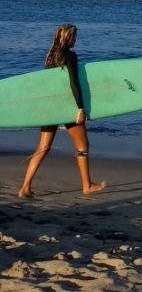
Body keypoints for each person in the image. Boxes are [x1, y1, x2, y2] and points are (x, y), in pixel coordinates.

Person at [18, 24, 106, 198]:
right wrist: (80, 107)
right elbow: (74, 83)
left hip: (49, 106)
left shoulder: (50, 56)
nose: (76, 40)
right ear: (68, 38)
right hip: (67, 106)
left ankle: (25, 188)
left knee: (43, 147)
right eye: (74, 36)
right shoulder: (70, 56)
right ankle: (87, 185)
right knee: (83, 146)